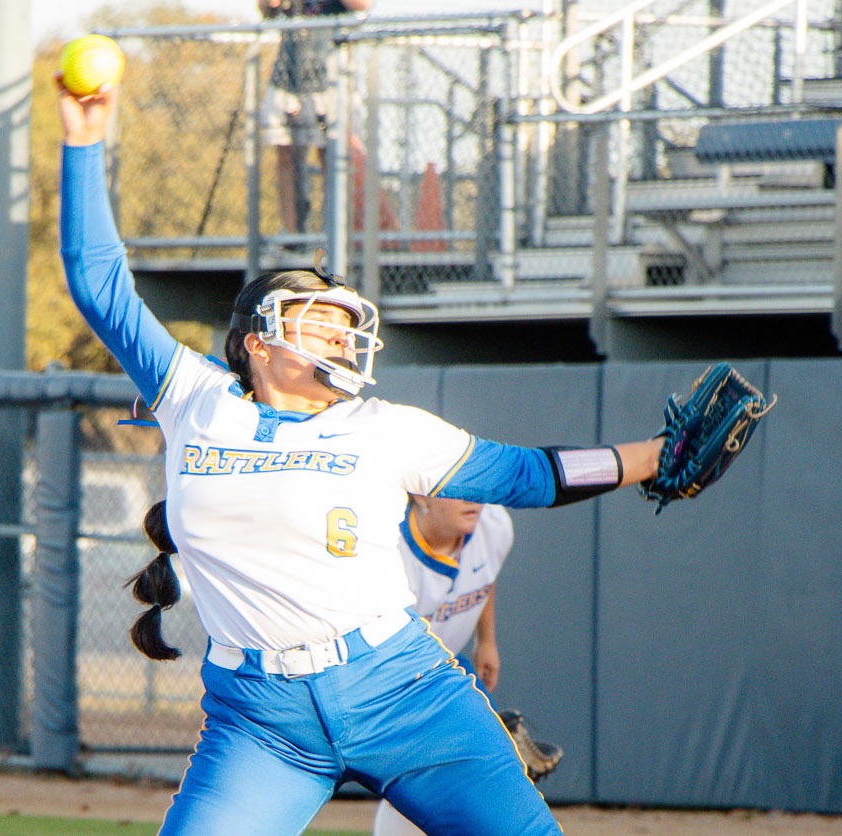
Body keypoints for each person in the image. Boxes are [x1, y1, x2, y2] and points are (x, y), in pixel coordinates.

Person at [58, 83, 664, 835]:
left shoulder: (384, 427)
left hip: (400, 689)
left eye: (349, 329)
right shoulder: (194, 397)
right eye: (322, 324)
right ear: (257, 341)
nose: (343, 339)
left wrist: (649, 458)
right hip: (262, 721)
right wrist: (84, 142)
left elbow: (523, 475)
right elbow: (96, 281)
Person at [371, 495, 564, 836]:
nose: (473, 497)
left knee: (426, 788)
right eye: (458, 488)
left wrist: (486, 640)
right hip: (384, 684)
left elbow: (482, 575)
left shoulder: (494, 524)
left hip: (439, 672)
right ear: (420, 493)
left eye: (476, 484)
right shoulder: (387, 549)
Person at [259, 0, 372, 237]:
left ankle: (332, 234)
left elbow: (363, 4)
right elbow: (268, 10)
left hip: (330, 77)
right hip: (289, 76)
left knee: (332, 154)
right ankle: (291, 233)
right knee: (285, 153)